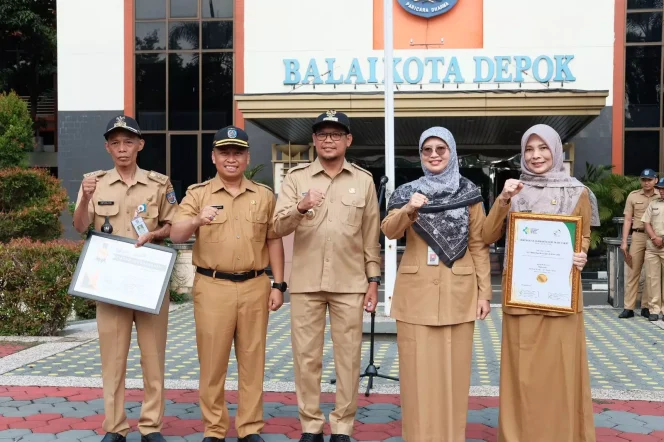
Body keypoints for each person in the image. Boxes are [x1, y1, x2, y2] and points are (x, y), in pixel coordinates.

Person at [482, 124, 600, 442]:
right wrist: (504, 198)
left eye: (543, 148)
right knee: (522, 375)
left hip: (561, 296)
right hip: (521, 295)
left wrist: (582, 254)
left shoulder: (577, 191)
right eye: (529, 150)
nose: (536, 156)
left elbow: (584, 234)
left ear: (556, 150)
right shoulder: (514, 191)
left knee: (561, 372)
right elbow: (487, 235)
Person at [169, 126, 285, 442]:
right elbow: (176, 234)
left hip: (255, 286)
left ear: (247, 157)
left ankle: (249, 428)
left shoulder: (263, 195)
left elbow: (274, 240)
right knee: (212, 363)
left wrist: (279, 284)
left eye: (237, 152)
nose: (231, 158)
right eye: (224, 152)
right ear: (214, 156)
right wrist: (196, 220)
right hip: (213, 286)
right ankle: (215, 429)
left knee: (253, 362)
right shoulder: (198, 194)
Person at [272, 110, 381, 442]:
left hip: (350, 285)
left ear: (348, 140)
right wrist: (300, 207)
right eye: (322, 135)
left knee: (348, 358)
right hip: (306, 283)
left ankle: (343, 426)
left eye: (336, 134)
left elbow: (370, 236)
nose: (328, 140)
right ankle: (311, 425)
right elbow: (276, 227)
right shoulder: (296, 179)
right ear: (314, 140)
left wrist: (373, 281)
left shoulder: (363, 180)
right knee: (306, 358)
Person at [381, 127, 491, 442]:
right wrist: (409, 209)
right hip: (416, 295)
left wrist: (485, 293)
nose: (433, 155)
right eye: (426, 149)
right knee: (416, 374)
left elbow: (479, 244)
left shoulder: (469, 191)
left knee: (455, 374)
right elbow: (388, 231)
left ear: (452, 152)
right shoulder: (406, 192)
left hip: (459, 292)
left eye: (440, 148)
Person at [72, 115, 177, 442]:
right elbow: (79, 227)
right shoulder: (94, 182)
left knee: (153, 360)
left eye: (128, 141)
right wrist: (87, 198)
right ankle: (115, 427)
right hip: (111, 286)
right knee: (113, 362)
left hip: (149, 284)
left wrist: (155, 234)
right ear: (107, 147)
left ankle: (150, 427)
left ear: (139, 145)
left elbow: (174, 226)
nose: (122, 148)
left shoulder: (160, 184)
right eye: (115, 142)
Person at [619, 169, 658, 319]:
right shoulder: (633, 195)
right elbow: (627, 219)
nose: (646, 182)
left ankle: (646, 306)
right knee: (633, 271)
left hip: (655, 237)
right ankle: (628, 308)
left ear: (656, 180)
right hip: (638, 236)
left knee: (651, 272)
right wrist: (624, 241)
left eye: (649, 179)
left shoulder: (660, 195)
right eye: (643, 180)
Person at [641, 177, 664, 321]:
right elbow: (646, 222)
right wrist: (654, 238)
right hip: (652, 247)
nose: (661, 191)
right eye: (660, 189)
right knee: (652, 278)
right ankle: (654, 309)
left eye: (663, 189)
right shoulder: (653, 204)